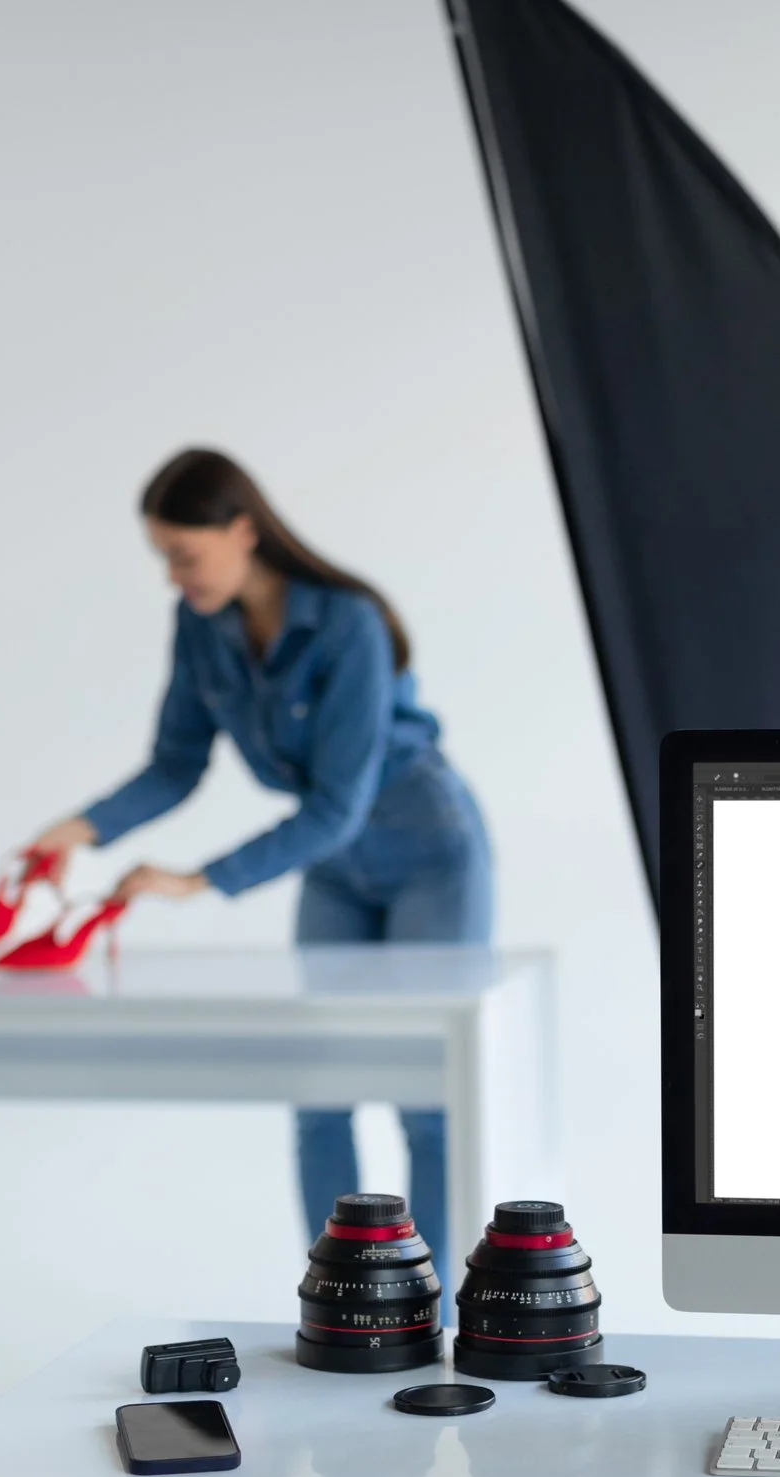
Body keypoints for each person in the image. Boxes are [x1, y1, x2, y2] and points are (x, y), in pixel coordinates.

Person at [27, 448, 492, 1254]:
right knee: (318, 1088)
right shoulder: (200, 626)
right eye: (163, 558)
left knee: (427, 1097)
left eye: (184, 554)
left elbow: (338, 804)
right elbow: (177, 762)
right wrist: (81, 828)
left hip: (428, 850)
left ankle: (436, 1315)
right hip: (335, 864)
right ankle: (343, 1305)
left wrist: (197, 881)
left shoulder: (347, 622)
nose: (175, 576)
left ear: (243, 529)